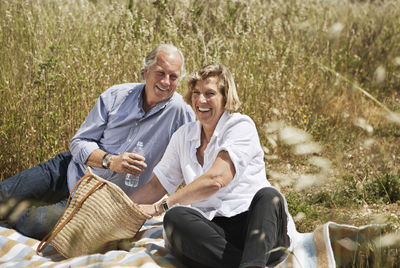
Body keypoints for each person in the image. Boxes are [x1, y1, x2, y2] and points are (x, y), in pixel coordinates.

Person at [0, 44, 194, 240]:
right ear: (146, 71)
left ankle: (21, 212)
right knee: (2, 194)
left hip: (99, 202)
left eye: (173, 76)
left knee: (34, 223)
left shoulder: (181, 113)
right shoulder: (116, 95)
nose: (166, 82)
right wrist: (110, 161)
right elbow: (78, 143)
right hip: (69, 170)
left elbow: (190, 162)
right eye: (160, 73)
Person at [130, 63, 297, 268]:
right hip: (215, 235)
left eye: (210, 93)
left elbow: (217, 180)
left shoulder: (240, 125)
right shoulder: (183, 136)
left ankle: (251, 262)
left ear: (225, 98)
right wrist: (122, 207)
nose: (201, 100)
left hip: (256, 229)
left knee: (269, 196)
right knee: (175, 218)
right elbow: (156, 186)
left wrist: (161, 206)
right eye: (196, 92)